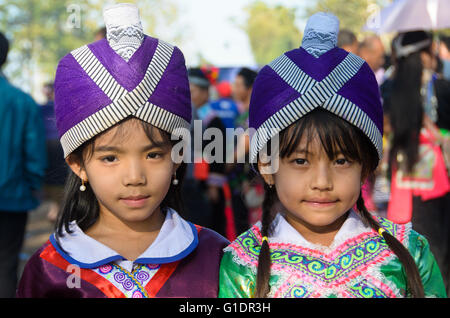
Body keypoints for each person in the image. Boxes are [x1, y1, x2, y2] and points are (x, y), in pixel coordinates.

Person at [218, 12, 446, 298]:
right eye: (301, 161)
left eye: (341, 161)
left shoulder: (408, 253)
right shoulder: (244, 267)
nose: (322, 182)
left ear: (365, 165)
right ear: (266, 165)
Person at [17, 4, 228, 298]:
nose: (134, 177)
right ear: (77, 164)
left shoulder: (217, 256)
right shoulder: (50, 269)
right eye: (110, 158)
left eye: (153, 154)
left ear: (177, 156)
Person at [385, 31, 450, 294]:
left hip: (403, 179)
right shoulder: (442, 88)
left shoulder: (390, 88)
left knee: (408, 248)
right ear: (425, 54)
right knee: (439, 252)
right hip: (437, 183)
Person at [0, 32, 47, 298]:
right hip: (13, 198)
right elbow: (34, 153)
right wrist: (33, 185)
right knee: (6, 265)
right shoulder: (23, 102)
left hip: (14, 196)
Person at [40, 82, 67, 222]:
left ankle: (55, 208)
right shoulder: (43, 108)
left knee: (55, 176)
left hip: (54, 145)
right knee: (57, 176)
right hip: (55, 145)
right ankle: (55, 207)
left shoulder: (43, 108)